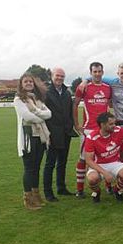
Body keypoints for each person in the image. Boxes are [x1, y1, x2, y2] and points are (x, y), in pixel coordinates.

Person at [14, 73, 52, 210]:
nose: (29, 83)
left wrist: (37, 112)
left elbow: (49, 113)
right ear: (21, 84)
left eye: (31, 81)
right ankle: (28, 198)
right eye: (26, 82)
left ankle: (36, 196)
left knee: (36, 168)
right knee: (29, 169)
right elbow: (27, 117)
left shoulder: (37, 99)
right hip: (28, 138)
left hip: (40, 137)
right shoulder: (19, 99)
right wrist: (40, 116)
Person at [74, 62, 112, 198]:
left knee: (106, 157)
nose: (97, 74)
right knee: (83, 159)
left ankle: (108, 186)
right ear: (90, 73)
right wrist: (77, 124)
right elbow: (75, 104)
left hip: (104, 130)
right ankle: (79, 189)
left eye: (99, 71)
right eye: (94, 71)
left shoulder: (108, 88)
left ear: (103, 72)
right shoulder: (83, 87)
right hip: (88, 130)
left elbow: (110, 105)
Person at [83, 112, 123, 203]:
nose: (114, 126)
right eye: (111, 124)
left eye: (114, 123)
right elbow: (89, 160)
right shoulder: (91, 137)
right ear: (102, 125)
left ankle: (117, 190)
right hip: (98, 164)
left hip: (115, 162)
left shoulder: (119, 130)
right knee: (92, 179)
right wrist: (105, 173)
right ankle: (96, 192)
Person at [42, 67, 75, 202]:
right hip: (52, 134)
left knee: (62, 162)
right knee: (50, 164)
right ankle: (48, 193)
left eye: (62, 76)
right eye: (57, 76)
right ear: (52, 76)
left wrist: (70, 126)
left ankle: (61, 188)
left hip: (66, 132)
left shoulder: (66, 92)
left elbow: (68, 112)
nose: (60, 78)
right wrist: (46, 133)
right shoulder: (46, 92)